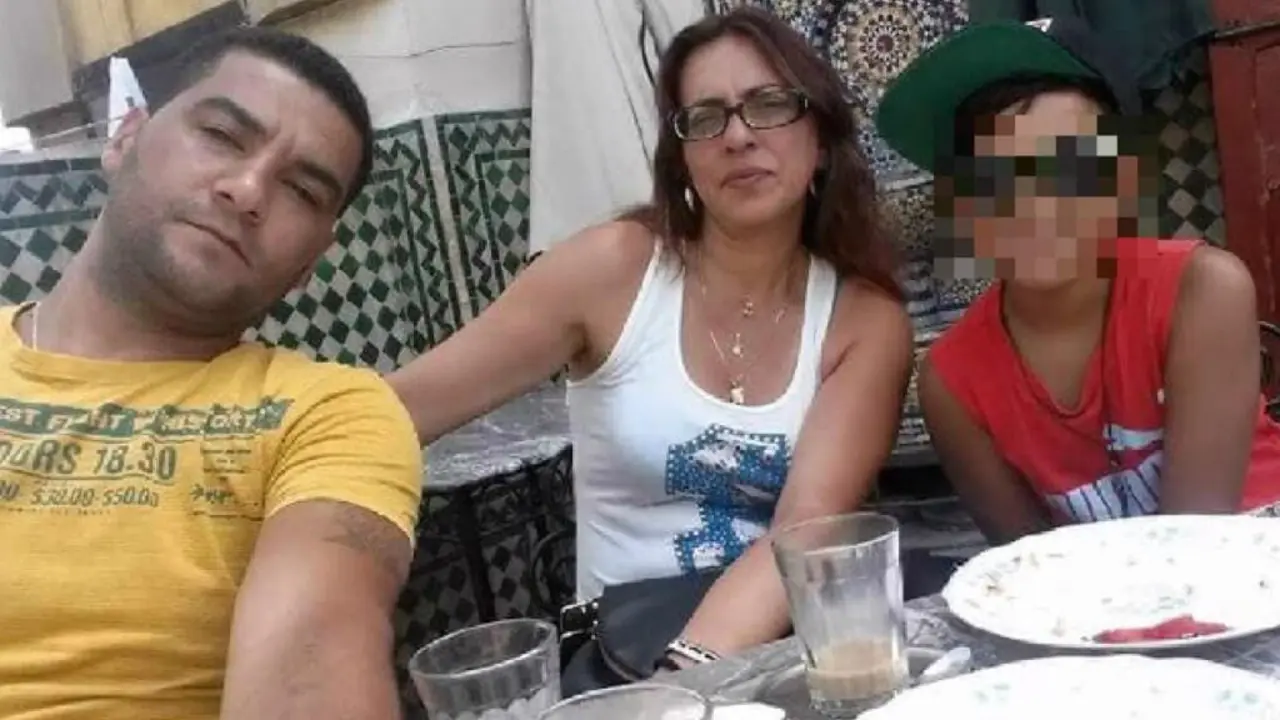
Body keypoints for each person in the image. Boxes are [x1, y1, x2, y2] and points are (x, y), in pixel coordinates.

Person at [390, 7, 911, 675]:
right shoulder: (613, 270)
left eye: (769, 105)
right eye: (705, 117)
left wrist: (683, 684)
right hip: (619, 658)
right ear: (682, 158)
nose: (738, 135)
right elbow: (399, 409)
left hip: (789, 654)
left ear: (821, 140)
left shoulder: (862, 320)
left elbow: (806, 528)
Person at [0, 28, 422, 720]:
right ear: (126, 136)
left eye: (302, 189)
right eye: (223, 136)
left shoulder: (325, 415)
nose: (248, 190)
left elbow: (313, 665)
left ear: (311, 261)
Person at [873, 15, 1280, 548]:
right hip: (1100, 597)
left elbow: (1193, 550)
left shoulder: (1199, 292)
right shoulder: (953, 384)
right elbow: (1029, 565)